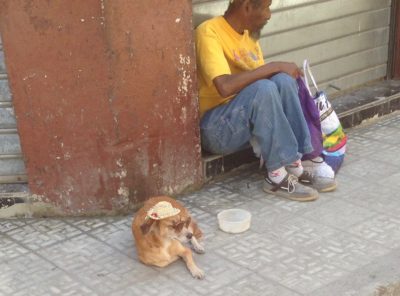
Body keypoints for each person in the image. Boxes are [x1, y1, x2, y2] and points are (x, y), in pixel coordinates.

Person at [195, 0, 336, 201]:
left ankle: (297, 162)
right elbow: (224, 86)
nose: (269, 14)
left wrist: (282, 72)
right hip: (216, 129)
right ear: (246, 7)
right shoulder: (209, 32)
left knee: (283, 80)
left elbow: (269, 85)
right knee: (265, 85)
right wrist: (274, 66)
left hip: (244, 124)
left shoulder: (248, 37)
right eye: (266, 7)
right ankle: (276, 178)